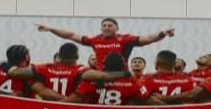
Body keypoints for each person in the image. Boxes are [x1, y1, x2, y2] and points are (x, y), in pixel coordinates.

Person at [37, 17, 175, 71]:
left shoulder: (125, 39)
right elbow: (71, 35)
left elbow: (147, 39)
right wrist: (51, 29)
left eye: (110, 25)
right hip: (100, 75)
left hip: (120, 75)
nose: (106, 27)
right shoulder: (95, 40)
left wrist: (162, 33)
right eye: (104, 25)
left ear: (117, 28)